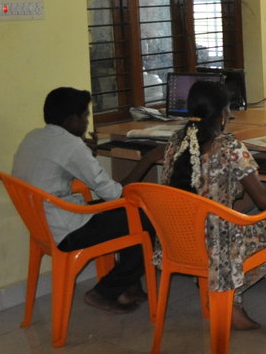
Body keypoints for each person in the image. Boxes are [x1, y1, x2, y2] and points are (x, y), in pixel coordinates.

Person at [12, 87, 160, 313]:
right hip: (67, 228)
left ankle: (128, 287)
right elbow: (115, 194)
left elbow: (57, 169)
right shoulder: (71, 145)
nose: (87, 122)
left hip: (43, 223)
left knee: (131, 215)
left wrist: (87, 155)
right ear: (72, 119)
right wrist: (148, 159)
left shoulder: (34, 137)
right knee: (148, 218)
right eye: (85, 116)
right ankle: (105, 292)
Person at [161, 80, 266, 330]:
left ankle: (219, 293)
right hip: (217, 247)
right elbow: (265, 201)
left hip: (180, 240)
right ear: (223, 112)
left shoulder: (175, 140)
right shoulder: (228, 145)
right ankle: (228, 298)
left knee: (236, 216)